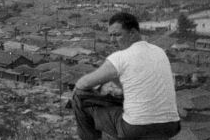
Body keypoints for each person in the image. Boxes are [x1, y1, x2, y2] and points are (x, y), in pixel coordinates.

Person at [72, 12, 180, 140]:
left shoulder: (120, 57)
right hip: (171, 126)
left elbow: (82, 84)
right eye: (110, 36)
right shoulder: (159, 51)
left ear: (133, 33)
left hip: (135, 128)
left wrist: (100, 89)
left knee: (79, 95)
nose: (112, 40)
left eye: (117, 35)